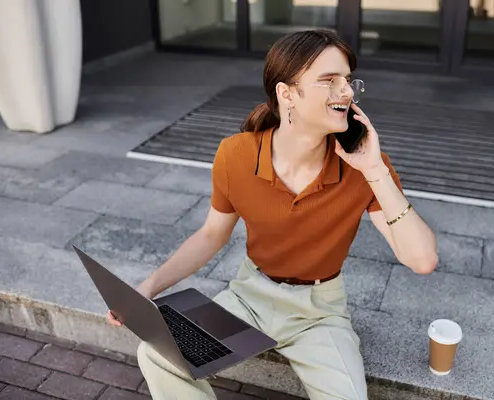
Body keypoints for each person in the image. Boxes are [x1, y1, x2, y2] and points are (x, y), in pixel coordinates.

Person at [107, 29, 438, 400]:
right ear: (287, 94)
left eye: (348, 81)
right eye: (329, 81)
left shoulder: (364, 165)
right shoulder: (236, 154)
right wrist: (147, 289)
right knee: (156, 353)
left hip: (320, 311)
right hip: (251, 296)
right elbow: (211, 235)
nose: (346, 91)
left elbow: (422, 260)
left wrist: (375, 170)